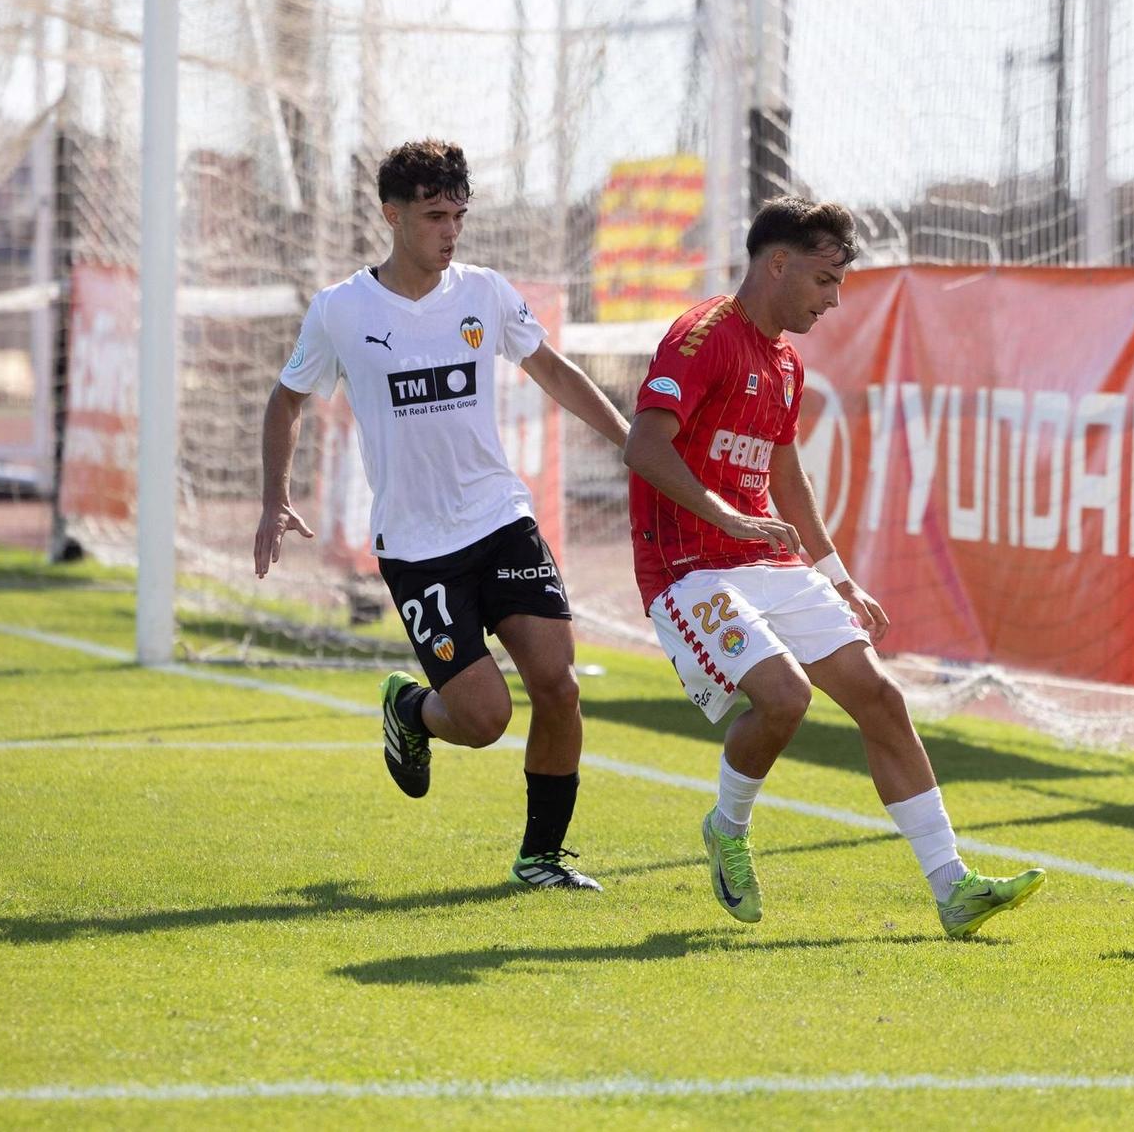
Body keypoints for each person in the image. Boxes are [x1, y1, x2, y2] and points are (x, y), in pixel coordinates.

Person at [620, 194, 1045, 938]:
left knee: (880, 696)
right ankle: (727, 827)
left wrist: (838, 574)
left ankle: (952, 887)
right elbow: (643, 446)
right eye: (825, 280)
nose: (833, 299)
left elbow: (783, 471)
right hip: (689, 569)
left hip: (767, 559)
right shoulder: (701, 337)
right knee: (784, 697)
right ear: (777, 264)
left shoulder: (786, 362)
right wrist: (727, 515)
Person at [254, 138, 629, 890]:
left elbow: (551, 368)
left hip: (500, 520)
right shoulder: (341, 310)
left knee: (558, 685)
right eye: (434, 216)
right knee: (485, 720)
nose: (450, 231)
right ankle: (411, 708)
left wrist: (628, 440)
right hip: (417, 546)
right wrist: (274, 497)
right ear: (391, 216)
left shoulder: (484, 292)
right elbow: (286, 400)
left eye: (458, 215)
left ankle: (541, 858)